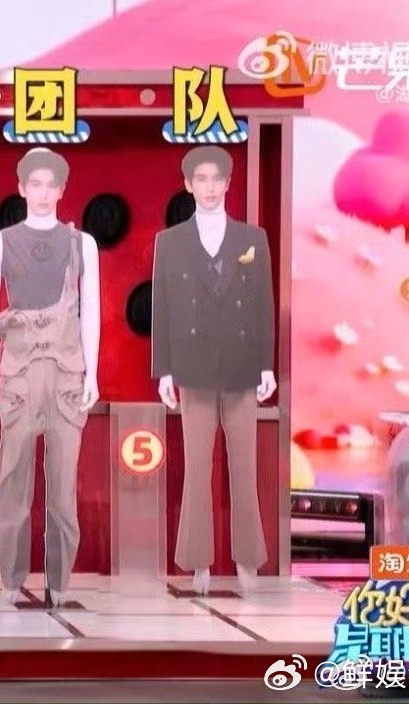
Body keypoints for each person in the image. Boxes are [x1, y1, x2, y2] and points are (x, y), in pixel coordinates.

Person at [0, 148, 100, 606]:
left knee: (63, 485)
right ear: (22, 187)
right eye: (35, 184)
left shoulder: (82, 244)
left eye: (51, 185)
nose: (44, 193)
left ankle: (60, 580)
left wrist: (93, 370)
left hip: (67, 372)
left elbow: (91, 311)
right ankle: (11, 579)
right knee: (12, 478)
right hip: (18, 372)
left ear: (63, 189)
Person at [151, 145, 276, 595]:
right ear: (188, 185)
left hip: (242, 365)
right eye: (200, 179)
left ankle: (248, 561)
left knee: (244, 466)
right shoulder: (169, 241)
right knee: (197, 467)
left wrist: (266, 365)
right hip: (193, 366)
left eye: (216, 178)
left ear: (228, 182)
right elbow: (162, 307)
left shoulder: (252, 238)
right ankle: (197, 563)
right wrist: (164, 370)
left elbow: (263, 305)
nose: (209, 187)